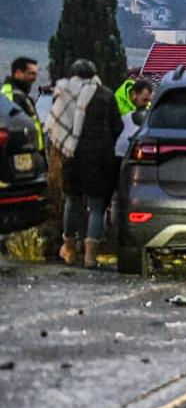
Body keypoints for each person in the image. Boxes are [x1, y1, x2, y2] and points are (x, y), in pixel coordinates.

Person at [46, 60, 123, 268]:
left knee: (72, 202)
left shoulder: (64, 94)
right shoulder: (106, 94)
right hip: (100, 159)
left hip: (72, 156)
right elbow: (118, 126)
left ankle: (69, 251)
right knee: (96, 206)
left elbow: (54, 128)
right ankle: (90, 257)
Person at [2, 56, 43, 150]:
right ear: (18, 73)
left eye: (35, 74)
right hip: (19, 152)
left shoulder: (22, 95)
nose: (35, 78)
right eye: (31, 74)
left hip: (29, 150)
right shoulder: (12, 94)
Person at [114, 79, 153, 158]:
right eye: (144, 100)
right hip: (119, 153)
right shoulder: (117, 102)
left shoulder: (143, 104)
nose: (146, 104)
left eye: (148, 100)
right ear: (133, 94)